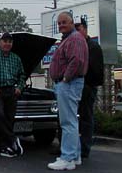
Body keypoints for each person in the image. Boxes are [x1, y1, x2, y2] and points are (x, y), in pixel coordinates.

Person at [48, 12, 89, 170]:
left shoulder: (75, 38)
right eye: (59, 23)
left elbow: (77, 60)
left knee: (67, 123)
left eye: (64, 22)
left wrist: (65, 79)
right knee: (71, 121)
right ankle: (75, 155)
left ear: (72, 23)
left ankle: (67, 158)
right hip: (69, 84)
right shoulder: (71, 38)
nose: (61, 25)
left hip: (69, 84)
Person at [75, 18, 104, 158]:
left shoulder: (93, 47)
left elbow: (96, 71)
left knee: (86, 118)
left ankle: (85, 148)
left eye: (78, 28)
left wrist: (85, 83)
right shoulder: (75, 45)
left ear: (85, 29)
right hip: (74, 88)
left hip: (87, 88)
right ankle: (67, 146)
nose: (76, 31)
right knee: (70, 118)